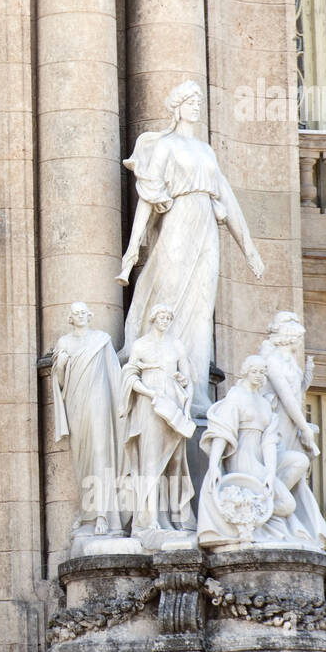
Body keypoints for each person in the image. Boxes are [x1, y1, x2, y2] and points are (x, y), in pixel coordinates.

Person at [118, 79, 264, 417]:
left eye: (199, 100)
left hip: (206, 229)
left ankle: (195, 391)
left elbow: (227, 199)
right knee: (169, 298)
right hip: (179, 225)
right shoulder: (166, 146)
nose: (197, 105)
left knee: (200, 308)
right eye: (190, 100)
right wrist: (132, 250)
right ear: (177, 106)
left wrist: (249, 249)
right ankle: (163, 382)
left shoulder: (206, 151)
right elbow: (147, 199)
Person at [119, 304, 196, 543]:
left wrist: (185, 402)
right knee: (150, 459)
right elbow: (129, 376)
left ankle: (173, 518)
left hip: (172, 404)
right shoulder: (141, 345)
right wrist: (150, 393)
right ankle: (148, 519)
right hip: (149, 405)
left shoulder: (177, 345)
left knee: (174, 461)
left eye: (168, 317)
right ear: (153, 318)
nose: (165, 320)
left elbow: (189, 380)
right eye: (161, 316)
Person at [257, 312, 326, 549]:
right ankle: (268, 509)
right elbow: (287, 398)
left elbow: (295, 393)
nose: (299, 343)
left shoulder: (288, 362)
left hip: (287, 424)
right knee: (290, 463)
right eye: (298, 337)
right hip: (275, 425)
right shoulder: (273, 361)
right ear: (289, 338)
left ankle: (276, 513)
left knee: (293, 464)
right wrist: (304, 428)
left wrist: (306, 377)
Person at [52, 302, 122, 536]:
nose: (80, 316)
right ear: (70, 318)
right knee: (81, 458)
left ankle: (103, 514)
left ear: (89, 316)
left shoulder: (102, 339)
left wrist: (122, 406)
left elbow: (114, 373)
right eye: (76, 313)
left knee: (101, 452)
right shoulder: (65, 343)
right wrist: (60, 366)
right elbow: (60, 382)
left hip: (99, 400)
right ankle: (87, 513)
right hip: (76, 402)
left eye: (83, 313)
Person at [196, 356, 282, 548]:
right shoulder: (236, 396)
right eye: (254, 371)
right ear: (245, 372)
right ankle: (259, 526)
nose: (258, 376)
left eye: (262, 372)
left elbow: (269, 442)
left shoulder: (264, 403)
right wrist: (214, 465)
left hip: (260, 457)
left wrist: (270, 471)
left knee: (299, 462)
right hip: (242, 457)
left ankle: (263, 525)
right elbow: (222, 433)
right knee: (286, 504)